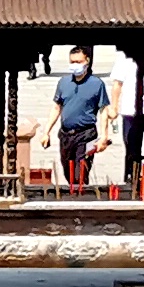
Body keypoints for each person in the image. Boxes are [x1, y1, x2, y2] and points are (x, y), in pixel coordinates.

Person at [52, 45, 112, 189]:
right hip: (66, 134)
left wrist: (104, 136)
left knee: (80, 171)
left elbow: (103, 109)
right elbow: (56, 107)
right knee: (68, 170)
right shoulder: (63, 82)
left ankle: (81, 197)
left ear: (87, 62)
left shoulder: (97, 84)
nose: (75, 65)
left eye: (79, 62)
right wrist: (47, 131)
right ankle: (73, 192)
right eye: (72, 62)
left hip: (86, 134)